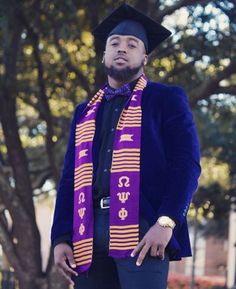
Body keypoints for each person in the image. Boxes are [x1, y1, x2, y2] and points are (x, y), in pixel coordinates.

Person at [51, 4, 201, 289]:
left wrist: (167, 221)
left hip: (143, 229)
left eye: (132, 44)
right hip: (87, 231)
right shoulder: (85, 112)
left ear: (144, 56)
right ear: (104, 54)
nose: (122, 49)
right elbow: (69, 178)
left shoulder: (165, 99)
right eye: (114, 43)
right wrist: (60, 237)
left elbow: (186, 164)